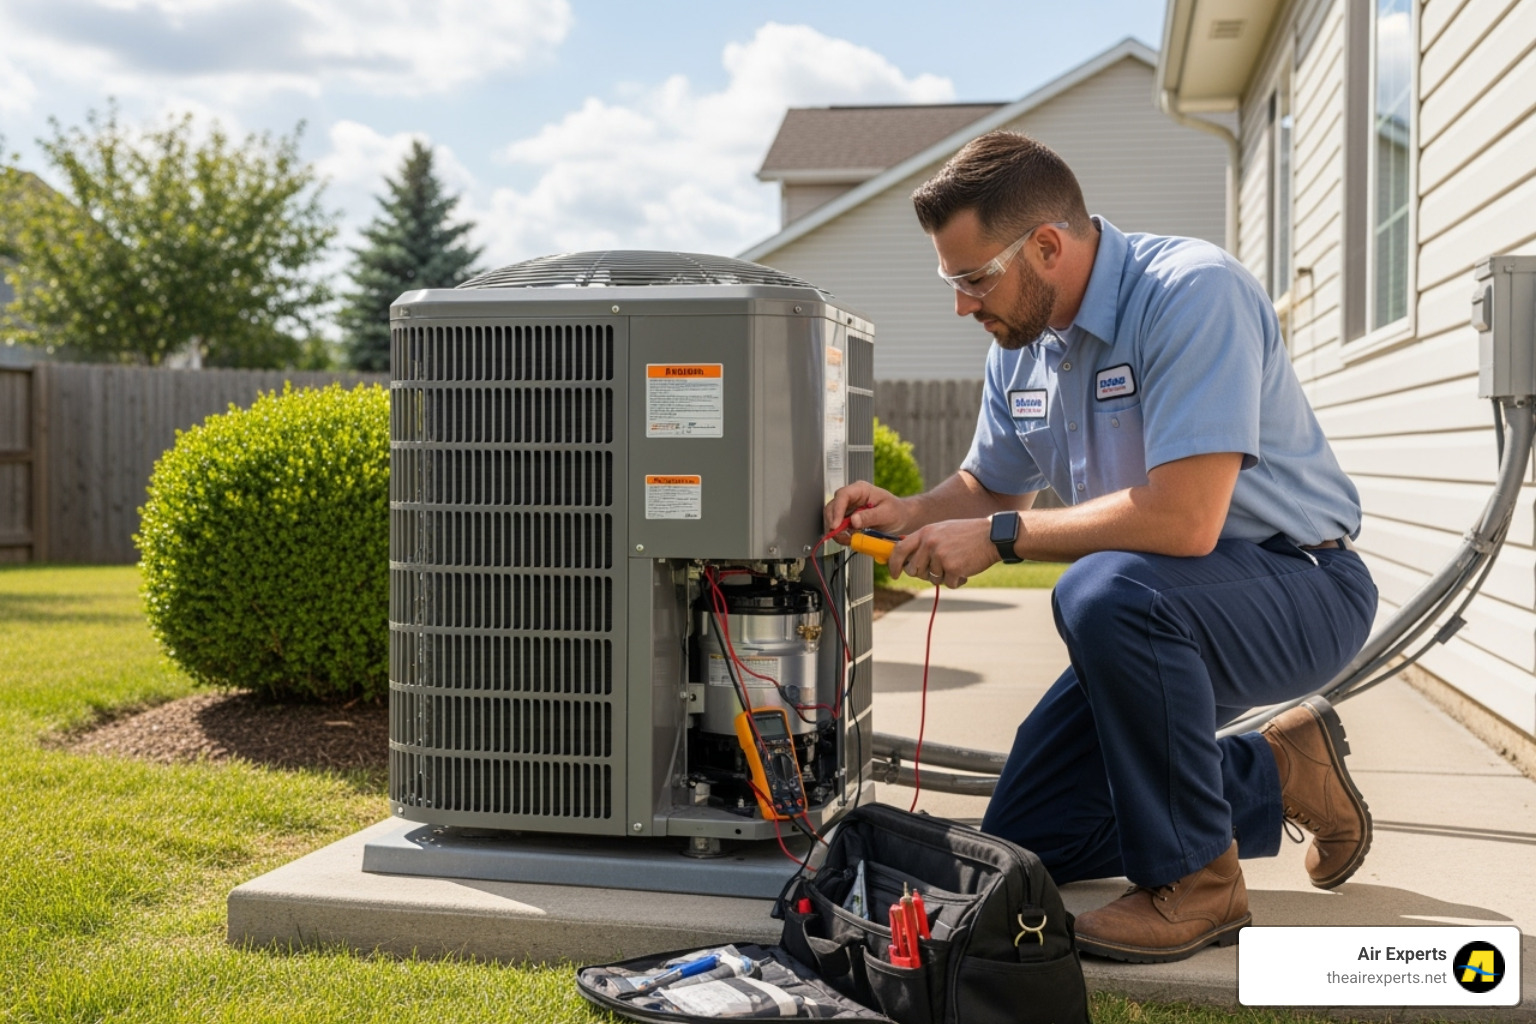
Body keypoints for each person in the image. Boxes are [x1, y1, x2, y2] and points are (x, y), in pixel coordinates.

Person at [824, 131, 1379, 964]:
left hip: (1299, 585)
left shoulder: (1192, 294)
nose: (963, 305)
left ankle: (1198, 883)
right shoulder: (1022, 350)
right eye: (952, 282)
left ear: (1046, 245)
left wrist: (1001, 539)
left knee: (1097, 591)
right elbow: (990, 489)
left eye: (974, 279)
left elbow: (1186, 519)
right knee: (1031, 839)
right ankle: (1279, 773)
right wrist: (908, 512)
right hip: (1162, 605)